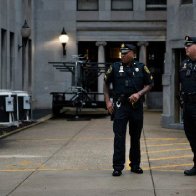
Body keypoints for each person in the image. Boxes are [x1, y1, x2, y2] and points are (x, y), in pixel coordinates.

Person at [103, 43, 153, 176]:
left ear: (133, 54)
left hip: (136, 107)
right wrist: (108, 101)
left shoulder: (141, 67)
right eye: (121, 53)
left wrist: (139, 94)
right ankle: (118, 167)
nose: (123, 55)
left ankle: (135, 165)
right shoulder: (114, 67)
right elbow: (106, 84)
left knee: (135, 137)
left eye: (125, 53)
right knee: (119, 136)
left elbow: (149, 84)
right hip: (120, 106)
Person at [179, 36, 196, 176]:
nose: (186, 47)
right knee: (191, 135)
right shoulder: (184, 64)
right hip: (188, 105)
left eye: (189, 45)